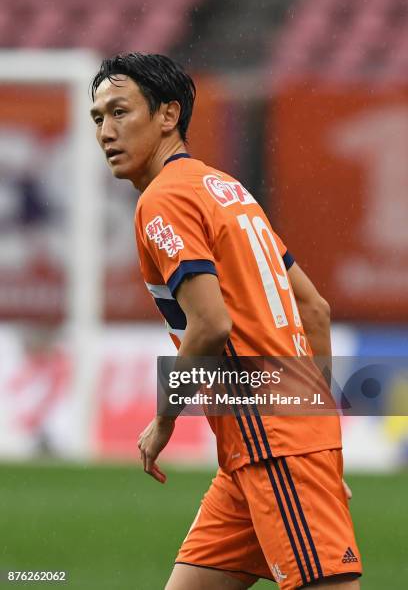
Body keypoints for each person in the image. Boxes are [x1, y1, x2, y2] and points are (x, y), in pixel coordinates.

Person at [90, 53, 362, 590]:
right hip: (258, 447)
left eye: (120, 112)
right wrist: (314, 428)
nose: (106, 131)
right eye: (97, 117)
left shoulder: (163, 199)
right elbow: (315, 310)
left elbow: (210, 325)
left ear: (168, 115)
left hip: (269, 439)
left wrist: (164, 419)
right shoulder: (228, 190)